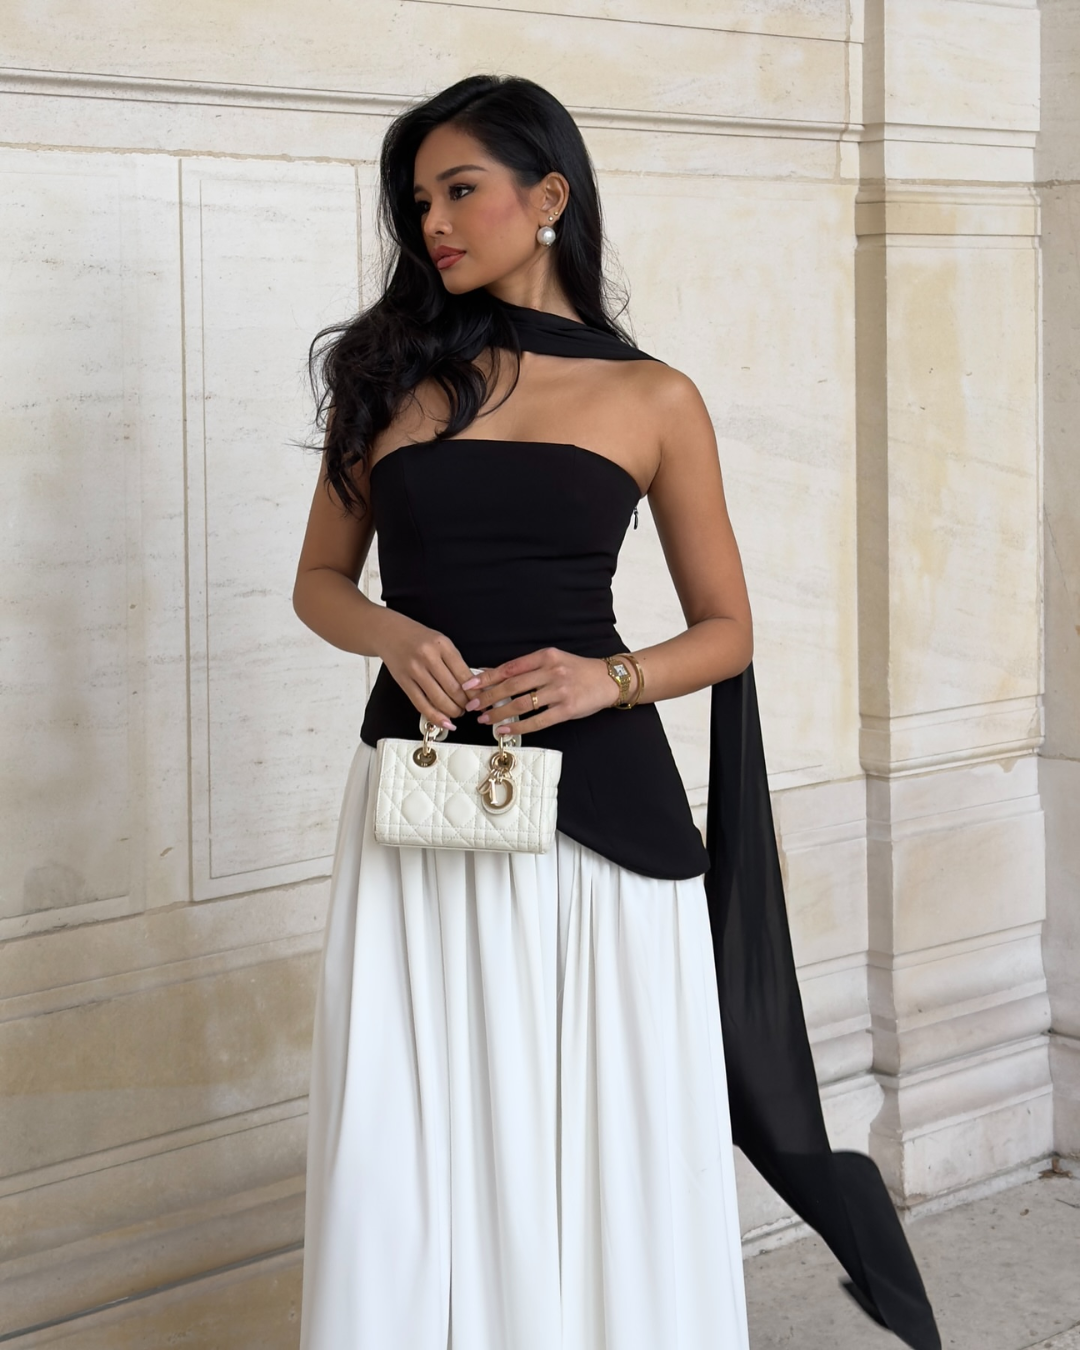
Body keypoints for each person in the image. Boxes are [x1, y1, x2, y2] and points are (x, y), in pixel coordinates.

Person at [292, 74, 941, 1350]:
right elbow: (320, 580)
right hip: (420, 802)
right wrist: (392, 633)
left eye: (460, 190)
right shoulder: (387, 380)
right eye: (417, 202)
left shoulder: (655, 398)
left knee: (605, 1126)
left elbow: (728, 627)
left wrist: (612, 676)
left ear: (549, 196)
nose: (432, 223)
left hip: (598, 816)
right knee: (417, 1117)